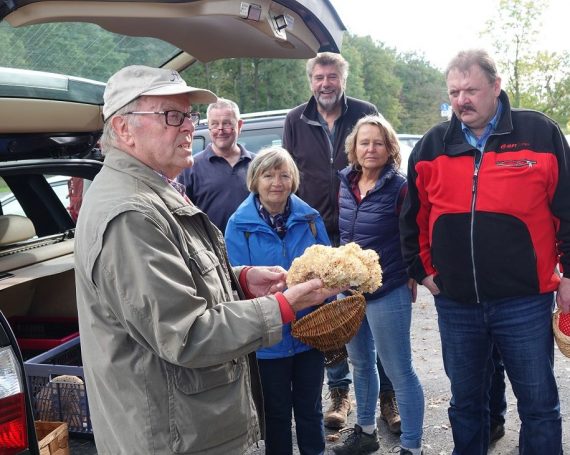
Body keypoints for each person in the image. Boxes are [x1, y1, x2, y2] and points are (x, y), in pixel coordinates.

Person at [74, 65, 342, 454]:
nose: (189, 127)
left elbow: (176, 281)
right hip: (172, 438)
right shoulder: (130, 214)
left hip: (187, 428)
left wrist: (239, 279)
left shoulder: (151, 192)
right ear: (123, 128)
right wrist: (284, 305)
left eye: (189, 115)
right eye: (172, 115)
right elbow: (187, 334)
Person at [400, 49, 570, 454]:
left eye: (471, 90)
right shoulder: (431, 146)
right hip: (457, 304)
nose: (462, 100)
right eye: (454, 92)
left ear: (496, 86)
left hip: (524, 301)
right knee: (465, 406)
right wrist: (423, 272)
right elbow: (413, 219)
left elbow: (567, 210)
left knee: (539, 406)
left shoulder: (539, 133)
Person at [283, 51, 401, 433]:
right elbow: (290, 176)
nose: (325, 84)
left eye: (332, 76)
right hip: (320, 235)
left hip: (363, 231)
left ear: (342, 79)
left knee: (375, 313)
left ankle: (389, 398)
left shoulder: (365, 112)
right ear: (311, 81)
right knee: (331, 318)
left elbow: (385, 162)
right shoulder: (295, 120)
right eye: (319, 77)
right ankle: (339, 394)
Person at [225, 146, 330, 455]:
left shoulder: (310, 219)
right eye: (268, 175)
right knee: (276, 415)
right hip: (267, 341)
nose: (277, 183)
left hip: (310, 334)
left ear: (293, 180)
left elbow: (329, 267)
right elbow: (236, 284)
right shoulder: (238, 225)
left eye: (284, 175)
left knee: (311, 410)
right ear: (255, 180)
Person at [331, 115, 424, 455]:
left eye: (378, 143)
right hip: (351, 292)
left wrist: (412, 272)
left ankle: (412, 446)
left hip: (389, 290)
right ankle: (366, 432)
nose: (371, 149)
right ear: (354, 148)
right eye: (364, 142)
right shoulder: (346, 183)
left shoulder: (400, 186)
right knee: (360, 363)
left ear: (389, 148)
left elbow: (415, 232)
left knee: (399, 370)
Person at [177, 97, 252, 233]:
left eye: (227, 123)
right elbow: (182, 218)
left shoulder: (257, 165)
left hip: (253, 245)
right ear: (209, 127)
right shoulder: (190, 168)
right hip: (209, 245)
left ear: (239, 125)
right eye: (215, 124)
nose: (220, 129)